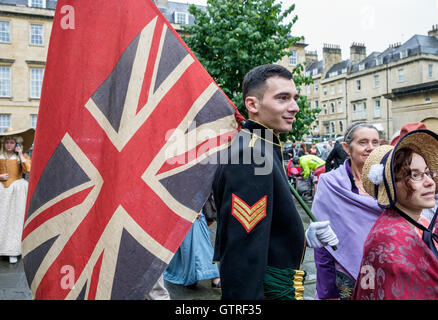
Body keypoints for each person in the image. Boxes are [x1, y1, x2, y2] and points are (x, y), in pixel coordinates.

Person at [212, 64, 338, 300]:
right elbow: (244, 254)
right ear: (252, 105)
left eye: (295, 98)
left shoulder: (263, 146)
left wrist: (300, 235)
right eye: (282, 98)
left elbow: (268, 226)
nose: (295, 107)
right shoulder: (250, 155)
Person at [353, 129, 438, 300]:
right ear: (391, 185)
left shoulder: (418, 223)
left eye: (428, 173)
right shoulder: (388, 240)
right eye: (415, 175)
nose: (429, 182)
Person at [312, 122, 383, 300]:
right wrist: (327, 292)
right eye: (363, 142)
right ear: (346, 148)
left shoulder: (388, 184)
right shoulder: (330, 184)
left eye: (375, 142)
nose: (370, 148)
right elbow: (322, 245)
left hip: (385, 272)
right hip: (345, 278)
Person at [163, 201, 220, 289]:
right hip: (183, 201)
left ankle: (200, 275)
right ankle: (195, 275)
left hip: (191, 201)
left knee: (195, 236)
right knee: (189, 237)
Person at [0, 128, 34, 264]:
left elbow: (29, 169)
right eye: (7, 142)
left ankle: (13, 251)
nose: (9, 145)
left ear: (16, 144)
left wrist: (20, 154)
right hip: (2, 191)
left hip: (17, 191)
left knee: (15, 219)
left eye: (12, 142)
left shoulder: (23, 157)